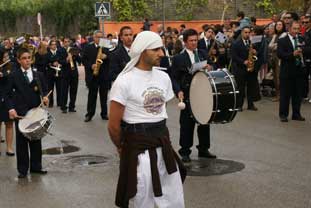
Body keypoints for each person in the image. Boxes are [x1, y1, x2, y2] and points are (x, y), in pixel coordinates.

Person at [108, 31, 186, 208]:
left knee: (172, 197)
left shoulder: (163, 77)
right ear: (143, 51)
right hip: (139, 150)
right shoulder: (124, 81)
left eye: (162, 49)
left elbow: (160, 114)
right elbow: (113, 126)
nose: (162, 54)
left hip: (163, 146)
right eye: (156, 49)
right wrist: (122, 147)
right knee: (142, 198)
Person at [171, 29, 216, 163]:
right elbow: (174, 78)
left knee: (204, 120)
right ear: (185, 42)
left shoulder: (202, 53)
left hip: (203, 92)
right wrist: (178, 91)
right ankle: (185, 151)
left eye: (196, 40)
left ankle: (203, 149)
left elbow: (213, 65)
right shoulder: (178, 58)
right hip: (187, 93)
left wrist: (210, 67)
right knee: (186, 123)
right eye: (191, 41)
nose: (194, 43)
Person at [5, 47, 49, 178]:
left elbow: (45, 90)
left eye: (29, 58)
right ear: (18, 60)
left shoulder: (38, 74)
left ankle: (36, 166)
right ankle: (22, 170)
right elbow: (7, 94)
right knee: (22, 142)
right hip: (21, 113)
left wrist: (46, 97)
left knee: (36, 139)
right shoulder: (13, 75)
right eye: (24, 58)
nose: (27, 61)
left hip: (35, 112)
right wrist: (11, 108)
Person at [277, 21, 306, 122]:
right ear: (289, 29)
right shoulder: (282, 40)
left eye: (298, 29)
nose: (296, 31)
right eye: (294, 29)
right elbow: (280, 54)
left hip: (299, 71)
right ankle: (283, 115)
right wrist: (292, 54)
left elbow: (308, 50)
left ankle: (296, 114)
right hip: (287, 71)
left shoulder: (301, 39)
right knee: (285, 94)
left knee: (297, 94)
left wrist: (304, 51)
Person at [82, 30, 110, 122]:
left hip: (103, 75)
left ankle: (104, 113)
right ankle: (89, 114)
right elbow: (84, 59)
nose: (99, 39)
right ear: (94, 37)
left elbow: (112, 57)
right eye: (97, 37)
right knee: (92, 96)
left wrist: (106, 57)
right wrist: (91, 65)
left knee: (104, 96)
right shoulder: (88, 47)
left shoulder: (106, 45)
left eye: (101, 37)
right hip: (93, 75)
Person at [231, 26, 259, 111]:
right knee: (241, 88)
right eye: (245, 32)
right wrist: (243, 62)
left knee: (251, 87)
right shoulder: (236, 43)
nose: (247, 34)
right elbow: (234, 56)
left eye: (248, 32)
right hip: (240, 68)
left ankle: (250, 105)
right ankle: (239, 105)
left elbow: (255, 54)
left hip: (250, 68)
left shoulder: (251, 42)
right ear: (242, 33)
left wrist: (255, 52)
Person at [60, 37, 81, 113]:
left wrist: (76, 54)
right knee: (64, 91)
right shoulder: (60, 50)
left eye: (68, 41)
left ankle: (72, 106)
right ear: (63, 43)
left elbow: (80, 60)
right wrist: (66, 60)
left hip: (74, 73)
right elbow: (60, 61)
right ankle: (63, 107)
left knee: (73, 90)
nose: (67, 43)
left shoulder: (73, 49)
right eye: (65, 42)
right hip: (65, 73)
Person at [0, 50, 14, 156]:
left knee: (9, 123)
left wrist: (4, 74)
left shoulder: (11, 66)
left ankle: (9, 148)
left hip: (8, 97)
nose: (6, 58)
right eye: (4, 57)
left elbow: (13, 78)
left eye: (7, 56)